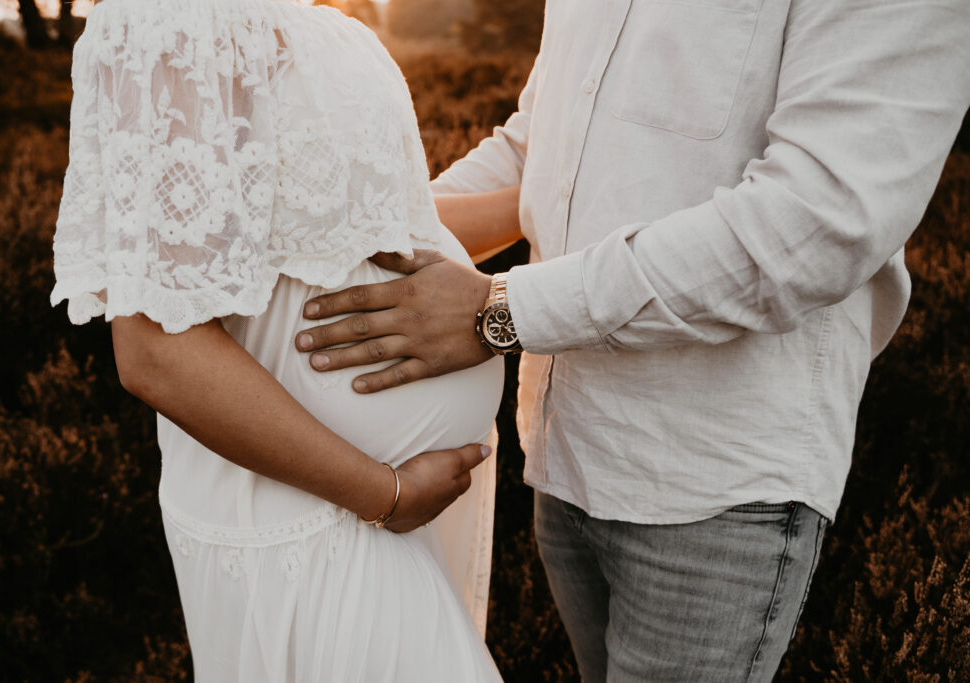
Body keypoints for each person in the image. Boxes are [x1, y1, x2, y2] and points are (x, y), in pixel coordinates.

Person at [294, 0, 970, 680]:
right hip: (568, 448)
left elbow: (815, 223)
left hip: (716, 484)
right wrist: (367, 239)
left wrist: (500, 310)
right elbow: (544, 143)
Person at [50, 0, 520, 679]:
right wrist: (384, 493)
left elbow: (359, 223)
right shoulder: (170, 19)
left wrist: (538, 201)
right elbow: (156, 351)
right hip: (312, 518)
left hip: (364, 517)